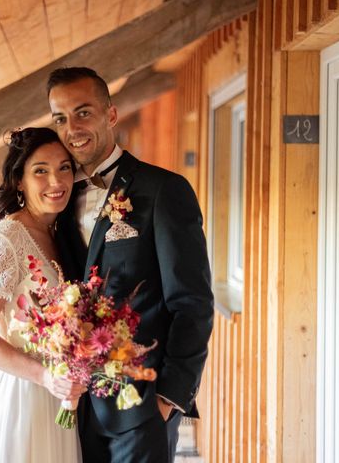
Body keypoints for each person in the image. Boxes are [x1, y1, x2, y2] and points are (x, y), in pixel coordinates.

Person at [48, 67, 214, 463]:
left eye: (83, 112)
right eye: (60, 118)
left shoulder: (163, 190)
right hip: (72, 408)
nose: (72, 128)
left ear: (111, 114)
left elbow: (192, 303)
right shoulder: (58, 198)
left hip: (140, 405)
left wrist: (168, 398)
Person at [0, 127, 85, 463]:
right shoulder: (6, 240)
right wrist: (44, 377)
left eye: (64, 167)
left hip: (62, 394)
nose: (56, 181)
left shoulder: (61, 234)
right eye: (41, 170)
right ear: (19, 181)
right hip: (24, 395)